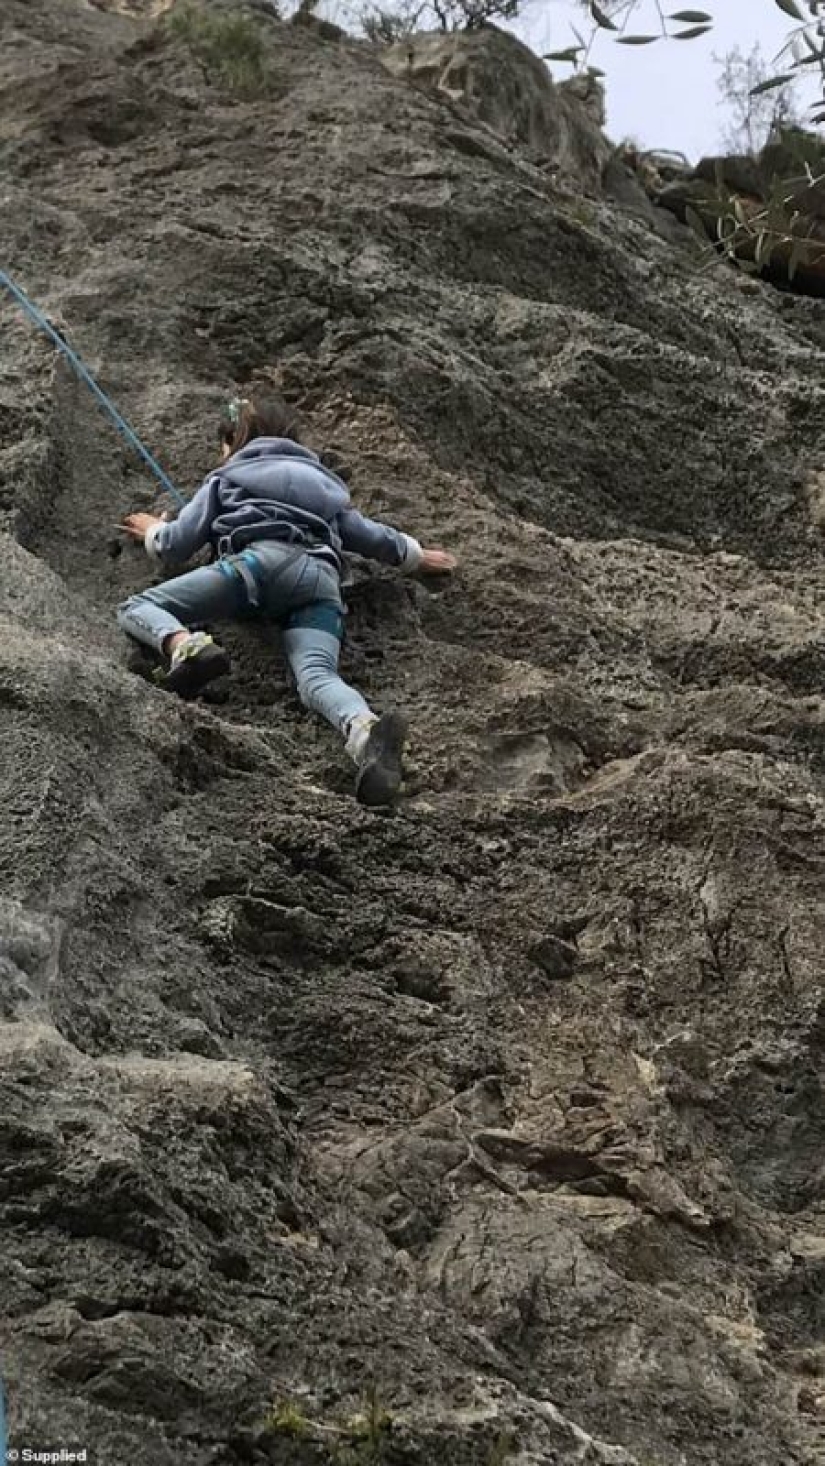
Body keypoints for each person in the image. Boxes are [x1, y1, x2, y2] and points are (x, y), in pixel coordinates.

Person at [118, 392, 457, 806]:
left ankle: (187, 647)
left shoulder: (227, 477)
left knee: (138, 606)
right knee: (317, 676)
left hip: (256, 567)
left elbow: (177, 544)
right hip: (320, 582)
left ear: (233, 442)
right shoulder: (326, 488)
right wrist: (419, 556)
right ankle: (364, 730)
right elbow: (370, 536)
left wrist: (154, 529)